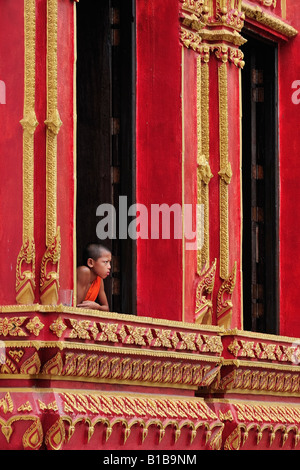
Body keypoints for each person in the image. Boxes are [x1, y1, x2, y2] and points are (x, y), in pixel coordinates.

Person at [76, 243, 111, 311]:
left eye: (109, 262)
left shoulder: (99, 279)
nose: (109, 267)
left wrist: (97, 307)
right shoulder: (83, 271)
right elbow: (76, 306)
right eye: (105, 262)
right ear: (91, 262)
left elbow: (106, 308)